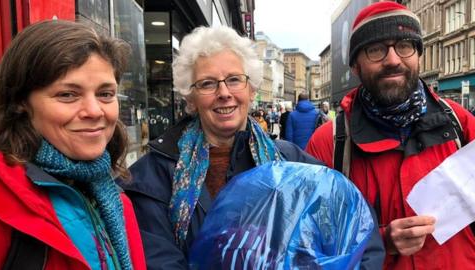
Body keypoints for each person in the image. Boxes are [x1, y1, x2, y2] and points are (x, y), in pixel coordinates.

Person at [118, 25, 384, 269]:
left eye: (234, 79)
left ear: (252, 89)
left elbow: (357, 229)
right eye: (208, 83)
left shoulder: (289, 161)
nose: (224, 92)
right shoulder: (152, 177)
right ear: (191, 96)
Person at [305, 2, 475, 269]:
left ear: (418, 55)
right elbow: (308, 242)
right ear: (355, 66)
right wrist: (381, 239)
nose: (393, 60)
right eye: (376, 50)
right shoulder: (330, 142)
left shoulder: (459, 123)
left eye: (405, 45)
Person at [0, 20, 146, 270]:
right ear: (20, 101)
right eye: (68, 95)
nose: (94, 111)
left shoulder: (117, 201)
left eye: (105, 94)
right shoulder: (2, 197)